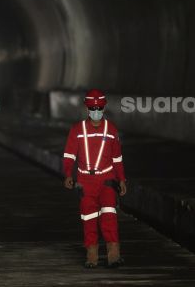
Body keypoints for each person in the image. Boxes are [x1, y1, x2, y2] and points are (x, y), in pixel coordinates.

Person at [62, 89, 127, 268]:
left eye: (99, 108)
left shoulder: (111, 130)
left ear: (104, 107)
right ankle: (92, 257)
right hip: (85, 182)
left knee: (109, 217)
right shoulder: (77, 130)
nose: (96, 111)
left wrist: (121, 179)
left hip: (107, 179)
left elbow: (117, 158)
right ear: (87, 108)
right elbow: (69, 156)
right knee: (89, 219)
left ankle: (113, 256)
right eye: (93, 108)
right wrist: (68, 174)